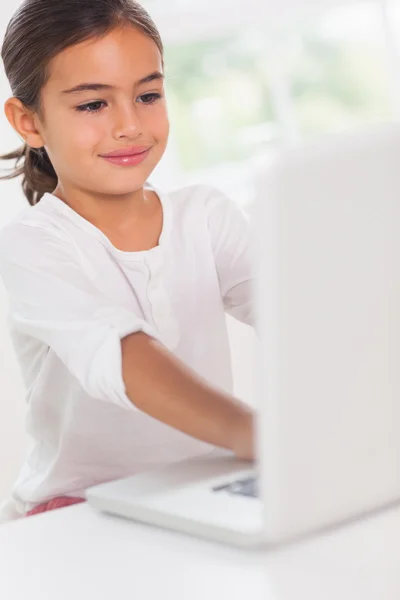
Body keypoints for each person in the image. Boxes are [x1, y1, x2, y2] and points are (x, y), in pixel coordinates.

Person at [0, 0, 255, 519]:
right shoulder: (31, 245)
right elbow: (119, 354)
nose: (130, 125)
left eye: (148, 95)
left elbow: (299, 313)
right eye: (93, 105)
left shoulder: (205, 216)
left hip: (206, 491)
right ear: (28, 121)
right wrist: (253, 432)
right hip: (76, 511)